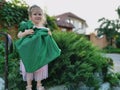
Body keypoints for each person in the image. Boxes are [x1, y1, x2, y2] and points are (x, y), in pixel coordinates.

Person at [15, 5, 61, 90]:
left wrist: (49, 35)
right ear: (30, 16)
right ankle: (29, 86)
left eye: (39, 14)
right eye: (35, 14)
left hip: (40, 53)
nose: (37, 16)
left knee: (40, 68)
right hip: (29, 54)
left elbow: (48, 41)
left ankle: (39, 85)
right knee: (29, 68)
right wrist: (26, 33)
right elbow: (19, 35)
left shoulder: (44, 29)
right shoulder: (27, 26)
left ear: (42, 16)